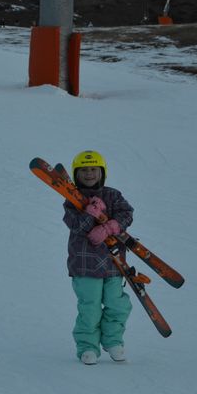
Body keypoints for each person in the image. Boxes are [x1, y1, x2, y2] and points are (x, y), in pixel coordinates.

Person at [62, 150, 134, 365]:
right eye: (84, 170)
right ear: (76, 174)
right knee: (90, 307)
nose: (89, 174)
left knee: (117, 304)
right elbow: (75, 226)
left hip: (113, 263)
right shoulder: (71, 200)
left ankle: (113, 341)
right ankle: (87, 346)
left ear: (102, 172)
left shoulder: (113, 195)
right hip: (85, 264)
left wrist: (110, 226)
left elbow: (127, 213)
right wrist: (89, 214)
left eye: (94, 169)